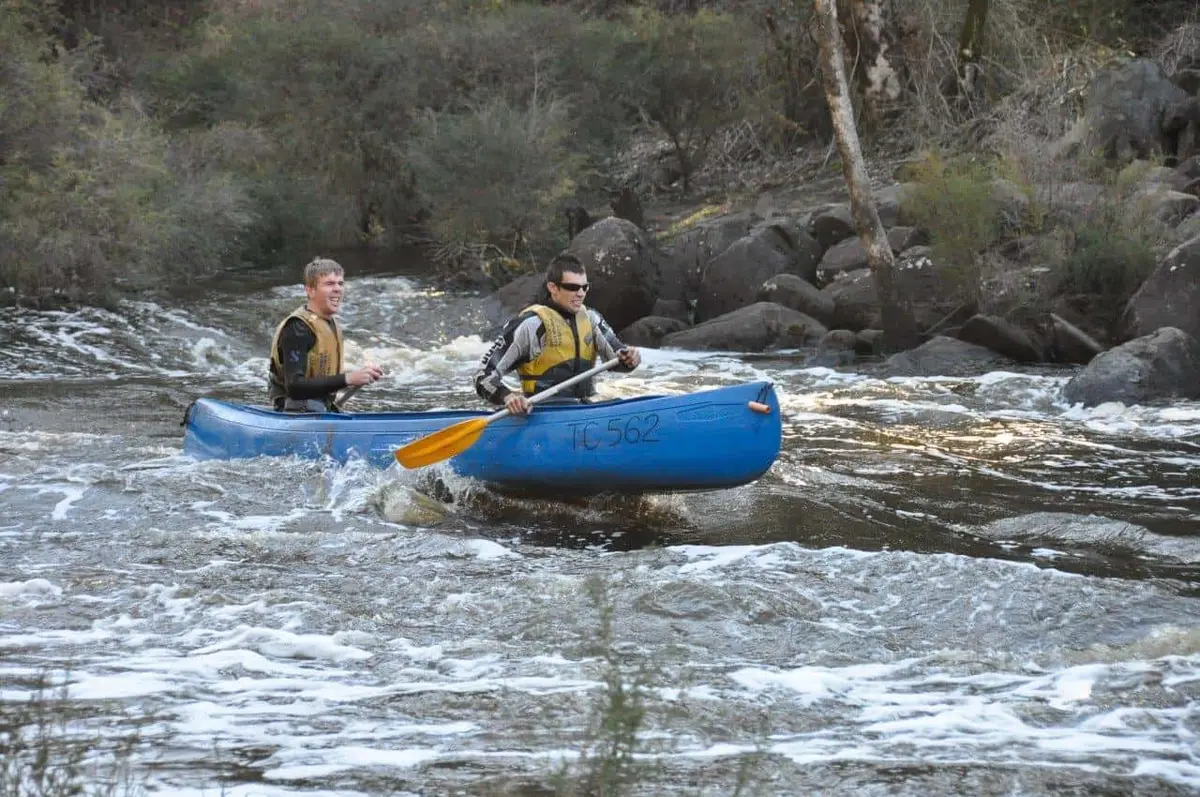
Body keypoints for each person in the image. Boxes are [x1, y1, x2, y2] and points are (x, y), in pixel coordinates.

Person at [474, 252, 641, 414]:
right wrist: (508, 397)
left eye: (584, 287)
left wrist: (630, 359)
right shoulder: (530, 325)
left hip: (586, 410)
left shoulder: (591, 319)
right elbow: (483, 375)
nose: (581, 293)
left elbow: (618, 359)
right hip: (544, 414)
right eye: (573, 287)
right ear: (553, 288)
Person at [268, 257, 382, 412]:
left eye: (340, 283)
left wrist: (361, 378)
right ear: (310, 290)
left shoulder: (330, 323)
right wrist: (348, 379)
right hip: (293, 410)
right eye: (329, 284)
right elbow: (294, 387)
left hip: (319, 406)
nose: (338, 289)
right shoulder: (298, 328)